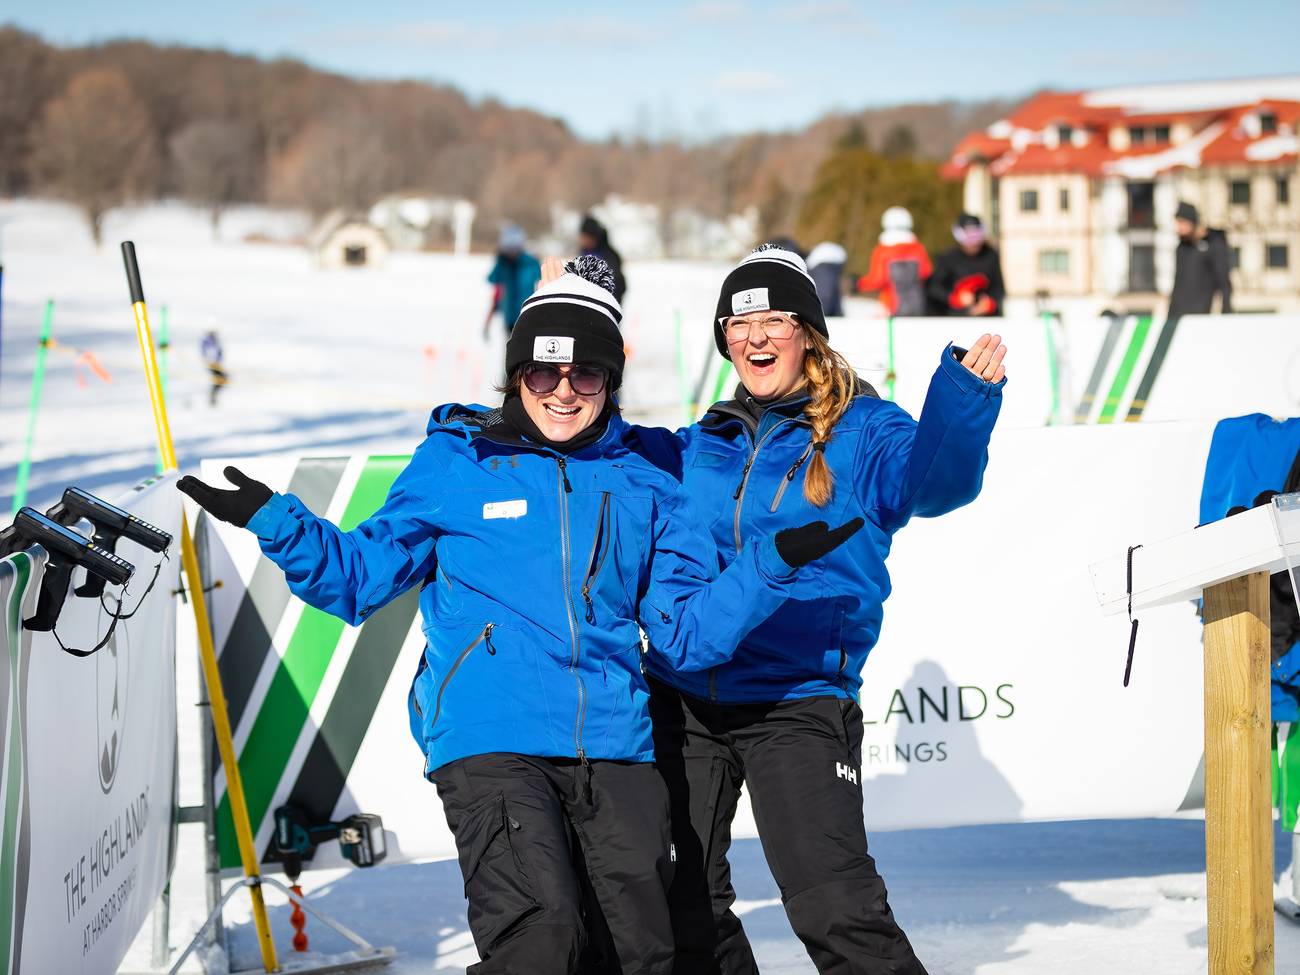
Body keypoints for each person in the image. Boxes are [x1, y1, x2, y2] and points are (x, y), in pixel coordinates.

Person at [177, 257, 861, 975]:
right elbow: (359, 578)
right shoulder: (458, 463)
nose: (563, 391)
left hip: (614, 743)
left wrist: (767, 566)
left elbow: (686, 632)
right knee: (542, 936)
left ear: (608, 380)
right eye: (542, 373)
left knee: (644, 953)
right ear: (516, 375)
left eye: (585, 374)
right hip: (490, 732)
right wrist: (275, 519)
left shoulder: (644, 475)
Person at [649, 245, 1006, 974]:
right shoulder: (703, 442)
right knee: (679, 902)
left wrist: (962, 403)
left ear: (808, 330)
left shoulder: (865, 429)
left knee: (835, 909)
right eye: (738, 323)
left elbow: (934, 484)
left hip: (797, 696)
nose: (755, 336)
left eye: (774, 319)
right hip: (688, 698)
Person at [857, 206, 931, 317]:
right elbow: (926, 272)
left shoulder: (882, 250)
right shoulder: (918, 249)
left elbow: (878, 280)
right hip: (917, 305)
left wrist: (858, 284)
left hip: (890, 307)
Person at [926, 212, 1005, 317]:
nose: (973, 242)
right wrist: (954, 298)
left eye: (976, 236)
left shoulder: (991, 256)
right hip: (954, 319)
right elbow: (934, 288)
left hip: (986, 320)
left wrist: (989, 304)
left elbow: (999, 288)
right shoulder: (948, 258)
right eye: (968, 236)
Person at [1168, 201, 1232, 319]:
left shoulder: (1214, 244)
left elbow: (1224, 282)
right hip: (1178, 315)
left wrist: (1226, 313)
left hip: (1200, 316)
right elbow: (1177, 284)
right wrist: (1170, 316)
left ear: (1192, 222)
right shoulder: (1182, 248)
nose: (1178, 228)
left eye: (1182, 222)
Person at [484, 224, 542, 339]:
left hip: (529, 317)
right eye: (508, 248)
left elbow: (545, 286)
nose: (511, 252)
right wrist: (487, 322)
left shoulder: (530, 263)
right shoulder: (502, 265)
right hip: (510, 320)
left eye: (514, 248)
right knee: (511, 352)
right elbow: (496, 292)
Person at [578, 215, 626, 303]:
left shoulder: (608, 255)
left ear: (592, 237)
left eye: (584, 236)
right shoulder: (584, 253)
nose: (581, 239)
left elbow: (617, 283)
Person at [805, 241, 848, 318]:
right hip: (833, 258)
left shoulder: (815, 263)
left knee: (825, 290)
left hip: (824, 313)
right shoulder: (817, 260)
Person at [200, 330, 228, 406]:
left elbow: (219, 352)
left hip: (215, 363)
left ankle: (214, 396)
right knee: (220, 378)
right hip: (212, 363)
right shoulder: (208, 342)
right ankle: (213, 397)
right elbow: (211, 352)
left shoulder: (212, 341)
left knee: (222, 378)